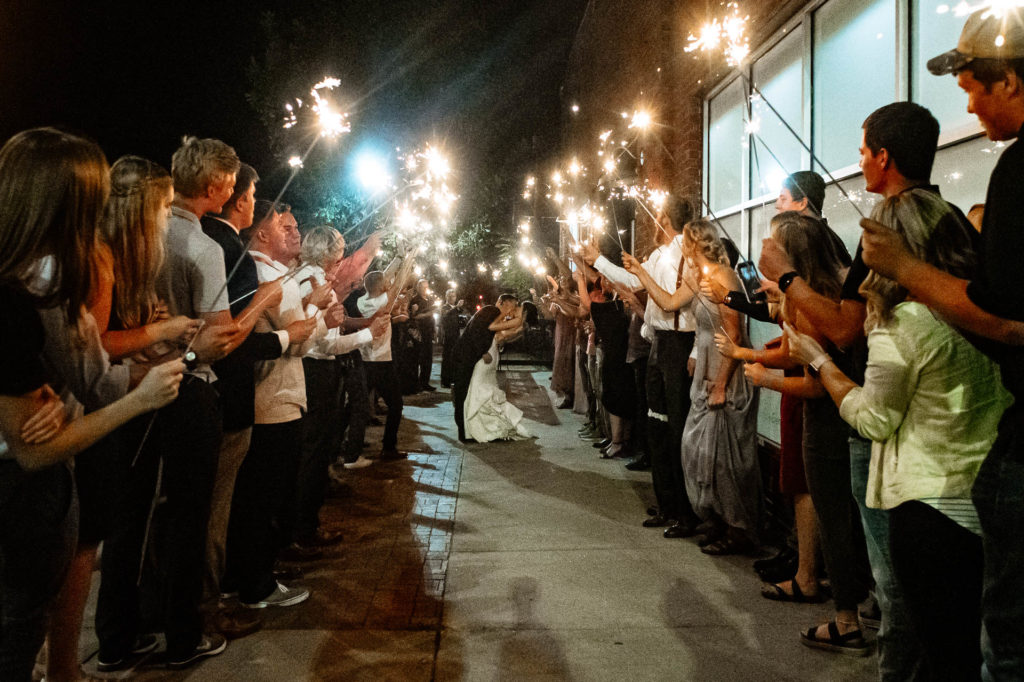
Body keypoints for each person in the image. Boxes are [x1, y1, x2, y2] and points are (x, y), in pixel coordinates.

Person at [760, 102, 961, 670]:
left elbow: (848, 326)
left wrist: (787, 280)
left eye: (864, 150)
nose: (859, 161)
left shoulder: (895, 227)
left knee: (896, 577)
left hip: (900, 423)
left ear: (885, 157)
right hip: (949, 426)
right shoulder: (945, 219)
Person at [786, 187, 1008, 679]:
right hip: (983, 498)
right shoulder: (981, 313)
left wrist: (818, 361)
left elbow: (872, 419)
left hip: (928, 506)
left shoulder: (904, 322)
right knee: (970, 648)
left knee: (929, 641)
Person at [861, 13, 1024, 677]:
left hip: (939, 482)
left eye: (975, 86)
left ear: (1010, 79)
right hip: (975, 459)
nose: (968, 102)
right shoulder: (957, 216)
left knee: (983, 646)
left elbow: (1004, 320)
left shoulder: (1015, 172)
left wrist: (904, 272)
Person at [0, 128, 185, 682]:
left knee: (23, 627)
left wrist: (55, 396)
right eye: (91, 197)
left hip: (39, 488)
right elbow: (34, 448)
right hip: (21, 493)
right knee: (16, 635)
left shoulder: (39, 285)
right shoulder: (26, 294)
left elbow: (74, 383)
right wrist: (141, 395)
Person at [96, 136, 265, 672]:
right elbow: (216, 340)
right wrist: (262, 304)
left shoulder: (122, 240)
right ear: (219, 185)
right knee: (188, 517)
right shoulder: (202, 248)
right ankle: (182, 636)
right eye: (235, 182)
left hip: (128, 386)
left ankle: (118, 637)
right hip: (186, 388)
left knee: (129, 516)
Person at [624, 219, 760, 555]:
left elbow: (734, 332)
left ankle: (737, 527)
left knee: (724, 454)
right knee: (698, 449)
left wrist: (721, 384)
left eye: (686, 240)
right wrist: (641, 274)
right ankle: (714, 517)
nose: (681, 245)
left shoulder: (723, 277)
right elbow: (669, 303)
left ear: (695, 243)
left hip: (723, 366)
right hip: (704, 366)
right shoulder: (699, 278)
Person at [584, 195, 701, 538]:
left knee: (676, 427)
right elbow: (633, 280)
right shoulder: (659, 255)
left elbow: (681, 301)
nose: (653, 220)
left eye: (658, 214)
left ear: (666, 217)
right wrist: (598, 261)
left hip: (678, 345)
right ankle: (667, 503)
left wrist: (694, 349)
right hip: (658, 345)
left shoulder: (684, 253)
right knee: (657, 426)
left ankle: (685, 510)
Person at [222, 205, 318, 610]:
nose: (295, 235)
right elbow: (300, 342)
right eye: (286, 227)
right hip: (276, 399)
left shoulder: (254, 272)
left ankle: (239, 574)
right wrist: (318, 310)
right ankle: (257, 582)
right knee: (264, 498)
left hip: (258, 401)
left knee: (247, 497)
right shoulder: (276, 279)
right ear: (261, 233)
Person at [292, 226, 387, 551]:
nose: (343, 257)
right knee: (314, 453)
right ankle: (304, 527)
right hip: (316, 371)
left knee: (316, 450)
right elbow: (325, 343)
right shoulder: (314, 282)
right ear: (330, 253)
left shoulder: (309, 277)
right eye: (341, 250)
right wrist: (367, 335)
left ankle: (305, 523)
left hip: (313, 369)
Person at [451, 295, 523, 443]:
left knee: (468, 393)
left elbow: (492, 333)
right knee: (462, 394)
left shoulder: (494, 313)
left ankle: (471, 431)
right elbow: (476, 331)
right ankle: (464, 432)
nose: (512, 309)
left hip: (472, 357)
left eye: (515, 306)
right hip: (467, 357)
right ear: (502, 302)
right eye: (511, 305)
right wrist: (482, 352)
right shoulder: (491, 310)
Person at [410, 278, 438, 392]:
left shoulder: (429, 300)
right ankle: (416, 384)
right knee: (419, 358)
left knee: (428, 359)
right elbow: (414, 317)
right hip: (420, 332)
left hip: (428, 331)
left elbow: (432, 317)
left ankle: (425, 382)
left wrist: (434, 330)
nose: (426, 289)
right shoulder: (415, 300)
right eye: (423, 287)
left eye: (427, 287)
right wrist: (429, 314)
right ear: (418, 287)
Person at [439, 289, 464, 388]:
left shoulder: (457, 309)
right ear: (446, 297)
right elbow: (445, 315)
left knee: (455, 357)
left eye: (453, 296)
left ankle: (453, 378)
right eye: (450, 296)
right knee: (447, 358)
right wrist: (456, 307)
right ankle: (445, 380)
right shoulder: (444, 307)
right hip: (448, 335)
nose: (452, 298)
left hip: (456, 334)